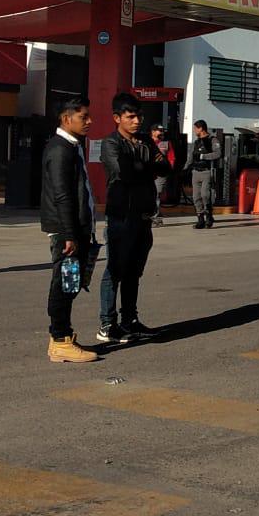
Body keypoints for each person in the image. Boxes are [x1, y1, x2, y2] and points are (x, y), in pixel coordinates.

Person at [98, 92, 170, 343]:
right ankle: (107, 324)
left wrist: (142, 166)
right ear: (117, 118)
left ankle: (130, 320)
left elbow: (165, 168)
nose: (137, 121)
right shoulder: (111, 143)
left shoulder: (145, 142)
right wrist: (147, 167)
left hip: (143, 215)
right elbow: (124, 173)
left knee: (134, 271)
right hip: (121, 215)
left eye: (139, 116)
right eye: (130, 117)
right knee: (115, 270)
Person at [39, 97, 99, 363]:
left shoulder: (71, 146)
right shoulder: (60, 149)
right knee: (64, 285)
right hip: (66, 233)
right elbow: (62, 195)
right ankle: (60, 340)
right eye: (83, 117)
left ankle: (62, 336)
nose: (89, 121)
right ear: (66, 119)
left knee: (70, 284)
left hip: (74, 230)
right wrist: (69, 234)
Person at [188, 120, 222, 229]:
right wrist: (185, 168)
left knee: (205, 195)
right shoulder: (196, 142)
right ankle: (200, 219)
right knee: (196, 197)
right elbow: (191, 157)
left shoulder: (212, 140)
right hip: (195, 172)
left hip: (207, 171)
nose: (194, 131)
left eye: (195, 128)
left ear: (201, 128)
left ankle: (209, 216)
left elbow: (217, 154)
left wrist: (203, 156)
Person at [149, 124, 177, 227]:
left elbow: (171, 157)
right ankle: (154, 216)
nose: (161, 132)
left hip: (161, 174)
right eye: (159, 131)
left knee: (156, 194)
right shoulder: (147, 142)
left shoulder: (166, 143)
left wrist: (169, 168)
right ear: (153, 132)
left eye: (162, 131)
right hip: (148, 173)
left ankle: (155, 218)